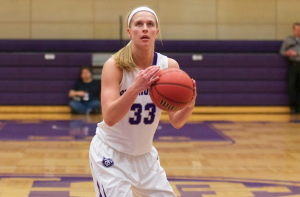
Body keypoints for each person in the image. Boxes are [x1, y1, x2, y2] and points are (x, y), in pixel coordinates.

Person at [89, 6, 196, 197]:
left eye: (150, 24)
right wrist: (135, 88)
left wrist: (189, 105)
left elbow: (176, 121)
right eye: (139, 24)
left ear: (157, 32)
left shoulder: (169, 67)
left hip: (145, 157)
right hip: (111, 154)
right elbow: (110, 118)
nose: (145, 28)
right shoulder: (114, 66)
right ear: (130, 32)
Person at [280, 22, 300, 114]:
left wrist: (297, 54)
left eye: (299, 30)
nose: (298, 31)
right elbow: (282, 51)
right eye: (296, 30)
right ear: (293, 30)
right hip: (292, 65)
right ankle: (293, 107)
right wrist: (287, 53)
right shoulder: (288, 40)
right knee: (291, 86)